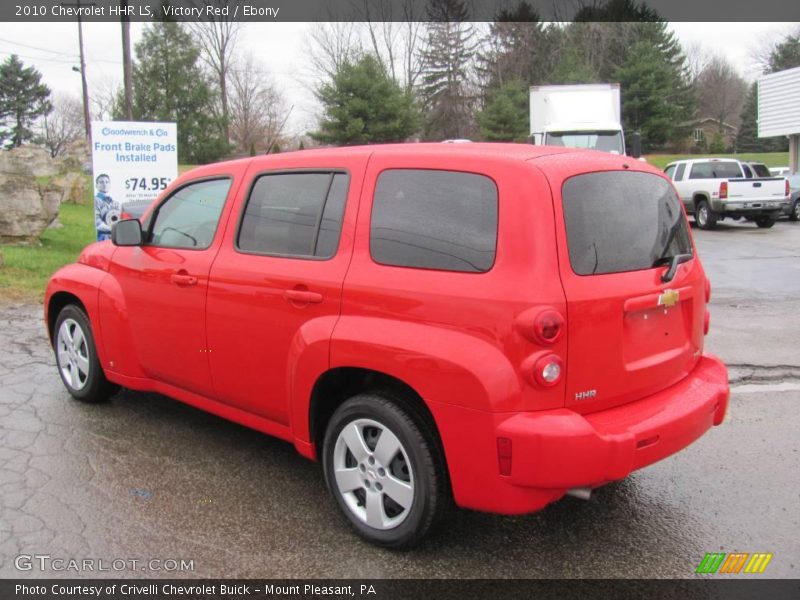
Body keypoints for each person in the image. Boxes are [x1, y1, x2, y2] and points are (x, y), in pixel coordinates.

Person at [94, 173, 120, 241]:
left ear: (110, 184)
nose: (104, 184)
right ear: (96, 185)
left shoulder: (114, 202)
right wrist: (113, 229)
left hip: (116, 238)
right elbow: (97, 223)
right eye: (101, 182)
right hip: (103, 238)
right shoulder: (96, 201)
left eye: (107, 182)